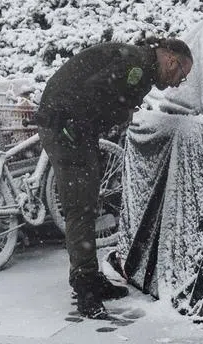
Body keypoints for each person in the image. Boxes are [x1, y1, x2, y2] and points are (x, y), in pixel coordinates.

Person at [34, 36, 194, 318]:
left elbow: (101, 95)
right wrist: (80, 131)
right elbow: (92, 92)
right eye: (181, 75)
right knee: (80, 207)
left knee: (87, 201)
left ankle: (89, 276)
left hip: (73, 129)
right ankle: (85, 290)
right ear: (171, 59)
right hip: (66, 129)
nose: (177, 83)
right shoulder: (137, 66)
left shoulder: (140, 64)